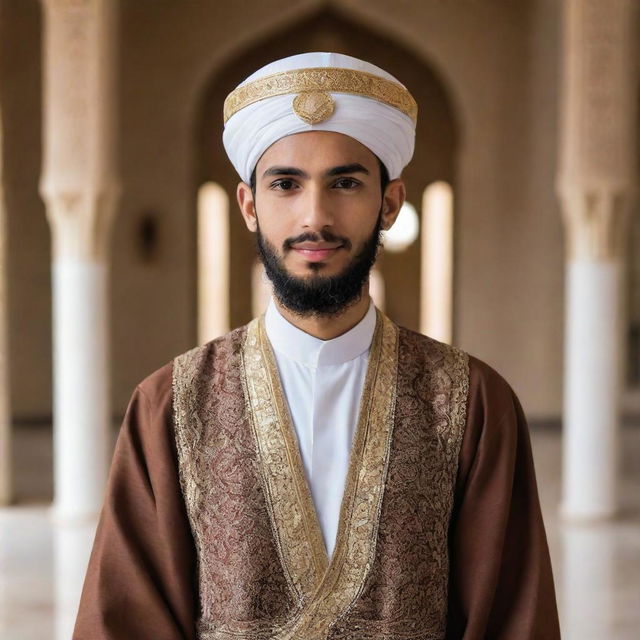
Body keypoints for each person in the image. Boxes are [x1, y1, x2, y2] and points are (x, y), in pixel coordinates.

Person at [73, 52, 561, 639]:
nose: (316, 216)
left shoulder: (471, 401)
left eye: (346, 183)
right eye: (285, 184)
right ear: (250, 205)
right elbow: (126, 620)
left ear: (390, 202)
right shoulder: (171, 406)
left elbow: (512, 616)